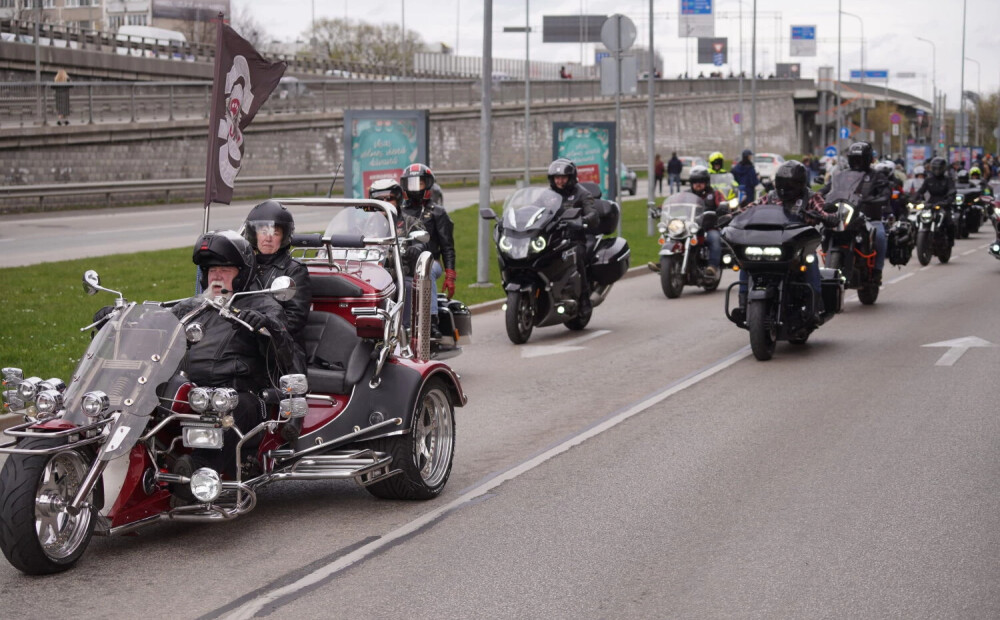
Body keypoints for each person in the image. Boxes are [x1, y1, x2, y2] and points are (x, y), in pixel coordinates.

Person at [170, 231, 301, 489]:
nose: (216, 276)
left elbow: (285, 354)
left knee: (236, 405)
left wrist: (266, 325)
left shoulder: (263, 306)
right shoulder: (191, 307)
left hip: (238, 395)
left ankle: (198, 472)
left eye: (225, 270)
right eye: (212, 270)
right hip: (188, 391)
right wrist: (120, 320)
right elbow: (157, 326)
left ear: (242, 274)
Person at [731, 160, 839, 325]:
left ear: (800, 184)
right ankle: (743, 305)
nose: (784, 189)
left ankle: (814, 307)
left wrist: (827, 217)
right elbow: (751, 208)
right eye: (781, 184)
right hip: (771, 242)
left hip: (797, 247)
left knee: (811, 262)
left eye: (790, 185)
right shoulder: (771, 196)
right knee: (746, 262)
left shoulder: (811, 197)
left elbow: (825, 211)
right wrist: (731, 216)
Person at [242, 200, 312, 360]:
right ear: (255, 234)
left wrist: (265, 323)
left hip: (281, 347)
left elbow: (295, 319)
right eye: (263, 231)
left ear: (284, 237)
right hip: (243, 340)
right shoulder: (244, 267)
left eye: (275, 233)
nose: (268, 238)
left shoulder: (294, 270)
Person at [399, 163, 456, 339]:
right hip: (404, 261)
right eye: (411, 183)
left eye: (420, 183)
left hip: (431, 262)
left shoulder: (438, 212)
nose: (415, 188)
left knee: (426, 271)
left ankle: (431, 321)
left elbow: (447, 246)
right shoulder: (399, 211)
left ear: (428, 184)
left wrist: (450, 275)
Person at [820, 141, 890, 285]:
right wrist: (818, 195)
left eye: (860, 159)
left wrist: (879, 198)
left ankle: (877, 271)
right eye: (855, 159)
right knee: (824, 229)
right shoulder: (841, 175)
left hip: (869, 217)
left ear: (868, 159)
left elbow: (885, 192)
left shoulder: (877, 176)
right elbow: (828, 189)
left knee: (880, 236)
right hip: (844, 214)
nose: (857, 162)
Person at [547, 157, 598, 313]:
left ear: (570, 178)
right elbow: (536, 209)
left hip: (575, 238)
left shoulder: (582, 194)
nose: (559, 181)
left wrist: (583, 220)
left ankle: (584, 299)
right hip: (554, 237)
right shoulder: (548, 194)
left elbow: (593, 213)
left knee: (576, 256)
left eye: (563, 177)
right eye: (556, 177)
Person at [687, 166, 729, 279]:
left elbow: (722, 202)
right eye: (695, 182)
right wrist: (661, 209)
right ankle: (667, 263)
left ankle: (712, 266)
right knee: (673, 237)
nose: (698, 184)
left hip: (709, 227)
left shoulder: (715, 194)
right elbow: (675, 203)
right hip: (690, 228)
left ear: (706, 182)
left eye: (701, 181)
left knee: (715, 238)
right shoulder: (687, 195)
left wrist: (723, 206)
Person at [911, 156, 957, 245]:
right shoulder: (928, 180)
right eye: (935, 168)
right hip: (930, 203)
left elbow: (952, 191)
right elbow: (921, 191)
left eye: (939, 168)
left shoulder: (948, 180)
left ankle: (950, 241)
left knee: (950, 223)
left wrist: (948, 200)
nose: (937, 170)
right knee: (917, 217)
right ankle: (915, 239)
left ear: (943, 168)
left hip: (943, 204)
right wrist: (913, 199)